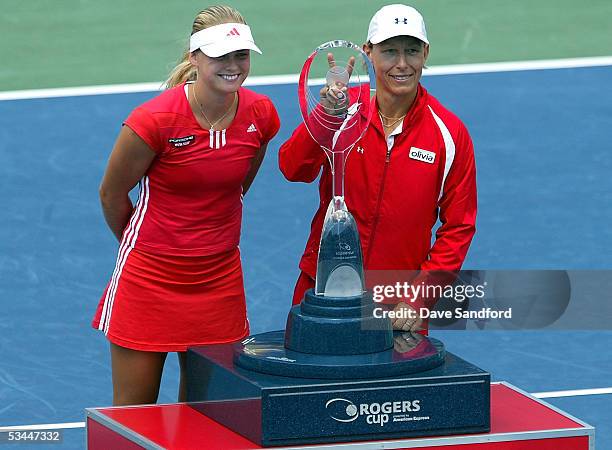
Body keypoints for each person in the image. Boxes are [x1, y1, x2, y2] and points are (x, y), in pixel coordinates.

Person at [92, 5, 280, 406]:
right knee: (134, 416)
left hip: (220, 283)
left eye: (240, 55)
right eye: (219, 56)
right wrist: (149, 247)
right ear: (195, 57)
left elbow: (239, 184)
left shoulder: (261, 114)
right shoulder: (153, 122)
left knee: (208, 417)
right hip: (149, 282)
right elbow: (111, 194)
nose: (233, 66)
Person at [279, 4, 476, 333]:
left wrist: (419, 298)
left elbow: (458, 228)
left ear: (425, 53)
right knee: (316, 385)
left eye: (411, 51)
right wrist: (327, 115)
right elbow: (293, 167)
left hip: (397, 304)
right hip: (324, 288)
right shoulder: (343, 111)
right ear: (369, 52)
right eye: (389, 52)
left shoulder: (449, 134)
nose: (401, 64)